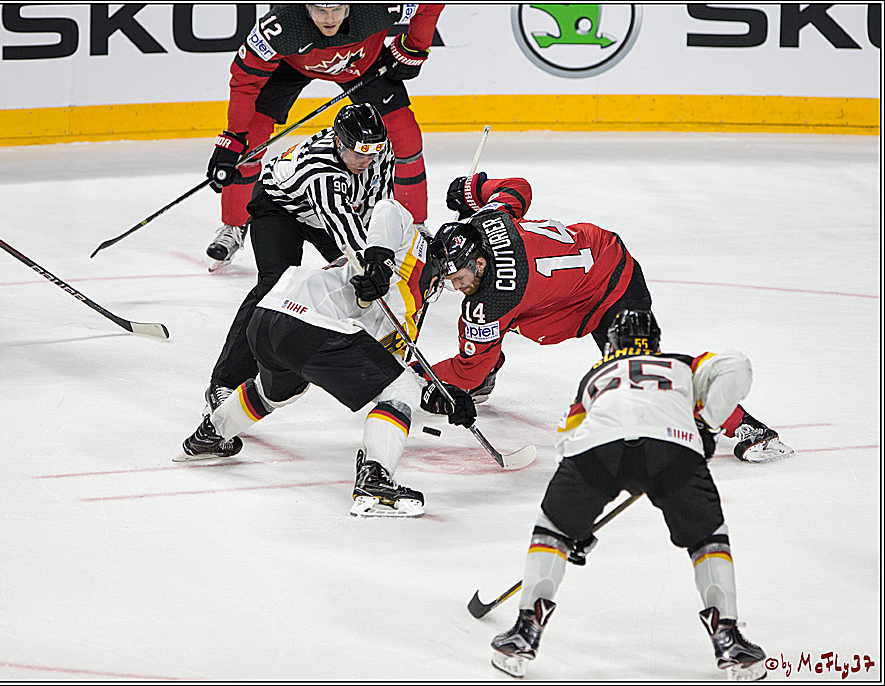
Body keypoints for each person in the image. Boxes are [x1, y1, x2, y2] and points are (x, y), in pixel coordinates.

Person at [419, 173, 793, 463]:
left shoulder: (493, 300)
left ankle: (746, 427)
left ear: (480, 262)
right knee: (486, 345)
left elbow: (467, 368)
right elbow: (517, 188)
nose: (456, 286)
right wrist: (471, 190)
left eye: (459, 278)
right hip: (595, 256)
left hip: (613, 287)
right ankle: (491, 369)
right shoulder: (487, 219)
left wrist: (415, 377)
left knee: (642, 375)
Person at [488, 310, 767, 680]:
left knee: (551, 529)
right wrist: (706, 424)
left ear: (612, 344)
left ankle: (525, 633)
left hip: (596, 449)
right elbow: (737, 367)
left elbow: (566, 441)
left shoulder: (595, 377)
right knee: (707, 538)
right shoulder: (680, 364)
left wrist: (574, 526)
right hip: (674, 448)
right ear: (656, 341)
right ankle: (728, 637)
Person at [178, 199, 474, 517]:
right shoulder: (411, 247)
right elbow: (389, 209)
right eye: (450, 277)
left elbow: (392, 369)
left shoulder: (404, 316)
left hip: (271, 315)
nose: (449, 286)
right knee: (397, 393)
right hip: (305, 318)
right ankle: (375, 480)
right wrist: (377, 260)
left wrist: (440, 396)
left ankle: (212, 433)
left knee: (278, 390)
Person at [203, 3, 444, 270]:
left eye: (337, 9)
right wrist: (234, 137)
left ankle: (416, 226)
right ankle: (233, 225)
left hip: (362, 64)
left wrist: (414, 48)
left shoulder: (379, 6)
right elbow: (244, 79)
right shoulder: (280, 26)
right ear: (305, 7)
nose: (329, 19)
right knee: (252, 137)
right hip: (292, 64)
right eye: (320, 10)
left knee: (405, 135)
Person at [204, 102, 396, 413]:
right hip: (280, 209)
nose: (366, 161)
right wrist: (369, 263)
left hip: (330, 213)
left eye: (371, 152)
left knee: (368, 279)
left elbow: (381, 206)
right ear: (338, 141)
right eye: (358, 153)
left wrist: (380, 257)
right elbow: (343, 227)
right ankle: (224, 382)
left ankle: (388, 364)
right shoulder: (321, 169)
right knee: (273, 287)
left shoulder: (380, 150)